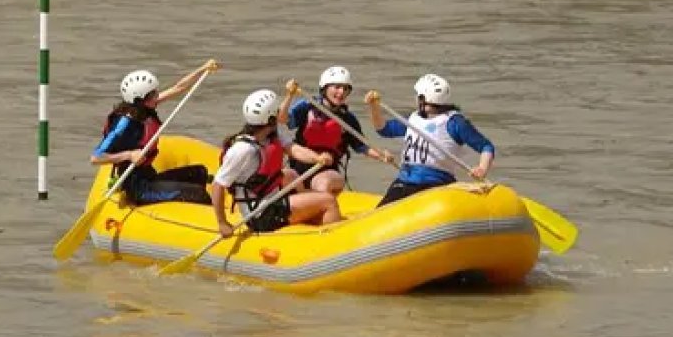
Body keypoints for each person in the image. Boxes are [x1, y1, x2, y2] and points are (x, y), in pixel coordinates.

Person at [212, 89, 342, 237]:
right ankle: (331, 240)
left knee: (290, 174)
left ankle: (311, 212)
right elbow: (218, 185)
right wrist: (222, 222)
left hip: (272, 199)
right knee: (329, 201)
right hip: (262, 214)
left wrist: (317, 158)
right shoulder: (243, 149)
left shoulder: (271, 134)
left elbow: (293, 149)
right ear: (271, 118)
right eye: (277, 112)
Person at [91, 60, 219, 206]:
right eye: (153, 94)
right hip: (138, 187)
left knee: (199, 172)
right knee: (197, 193)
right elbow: (96, 158)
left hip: (149, 176)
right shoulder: (124, 124)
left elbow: (179, 88)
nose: (157, 96)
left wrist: (203, 69)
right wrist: (129, 155)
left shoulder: (144, 108)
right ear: (141, 99)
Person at [365, 74, 496, 207]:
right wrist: (374, 107)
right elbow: (383, 129)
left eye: (417, 95)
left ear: (423, 98)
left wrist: (482, 168)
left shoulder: (454, 123)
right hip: (405, 182)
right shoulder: (414, 119)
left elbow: (486, 147)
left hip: (436, 184)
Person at [277, 66, 394, 196]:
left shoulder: (347, 119)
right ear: (325, 88)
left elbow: (362, 147)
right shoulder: (308, 107)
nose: (341, 92)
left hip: (328, 170)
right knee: (282, 177)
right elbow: (282, 119)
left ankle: (321, 207)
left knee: (323, 184)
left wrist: (382, 155)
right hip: (299, 167)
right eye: (337, 87)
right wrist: (289, 95)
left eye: (345, 88)